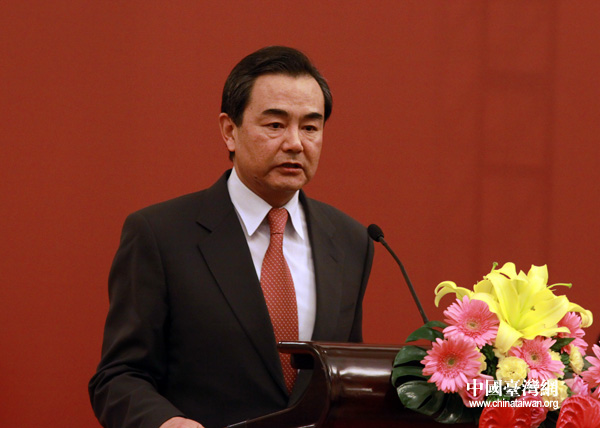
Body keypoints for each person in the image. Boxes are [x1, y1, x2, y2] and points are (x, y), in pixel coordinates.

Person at [89, 46, 374, 428]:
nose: (295, 143)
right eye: (275, 125)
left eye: (310, 127)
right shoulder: (160, 235)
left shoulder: (351, 241)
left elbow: (344, 379)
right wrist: (166, 422)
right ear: (229, 131)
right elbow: (118, 377)